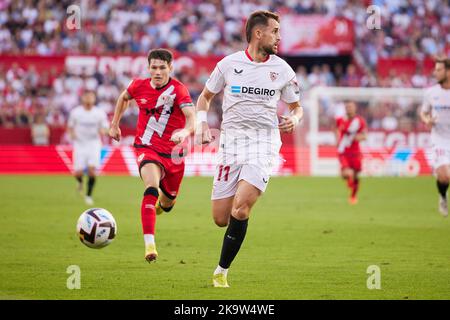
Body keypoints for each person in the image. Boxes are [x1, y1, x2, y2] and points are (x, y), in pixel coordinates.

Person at [196, 10, 303, 287]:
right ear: (259, 33)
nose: (279, 37)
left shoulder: (282, 70)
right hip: (231, 146)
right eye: (275, 31)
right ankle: (229, 240)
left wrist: (295, 118)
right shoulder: (228, 64)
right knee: (221, 218)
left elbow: (296, 106)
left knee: (241, 209)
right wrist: (201, 124)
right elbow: (205, 98)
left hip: (264, 145)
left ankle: (221, 271)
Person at [109, 49, 195, 262]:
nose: (157, 72)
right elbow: (123, 97)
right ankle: (150, 245)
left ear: (170, 68)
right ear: (148, 68)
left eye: (162, 68)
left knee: (167, 205)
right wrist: (114, 124)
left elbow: (191, 117)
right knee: (150, 186)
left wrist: (184, 131)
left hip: (173, 155)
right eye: (154, 67)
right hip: (146, 148)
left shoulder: (179, 90)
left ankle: (157, 206)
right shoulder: (138, 85)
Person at [420, 57, 450, 217]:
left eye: (439, 70)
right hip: (439, 140)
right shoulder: (431, 93)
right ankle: (443, 196)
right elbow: (423, 112)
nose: (435, 73)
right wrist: (427, 120)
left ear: (448, 72)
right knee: (445, 176)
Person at [67, 90, 109, 205]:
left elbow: (106, 128)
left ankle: (88, 195)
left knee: (91, 170)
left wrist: (103, 131)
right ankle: (80, 182)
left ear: (94, 99)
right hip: (80, 144)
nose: (89, 99)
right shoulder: (76, 112)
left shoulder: (99, 113)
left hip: (93, 144)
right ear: (83, 98)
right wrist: (72, 134)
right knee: (78, 173)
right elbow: (70, 126)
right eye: (87, 96)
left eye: (91, 96)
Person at [334, 101, 367, 205]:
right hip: (343, 151)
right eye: (347, 107)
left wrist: (358, 138)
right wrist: (337, 140)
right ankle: (348, 179)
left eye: (351, 107)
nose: (349, 109)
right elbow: (336, 130)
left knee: (356, 176)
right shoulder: (340, 120)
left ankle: (353, 196)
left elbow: (364, 135)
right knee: (347, 173)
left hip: (355, 152)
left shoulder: (359, 121)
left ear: (355, 108)